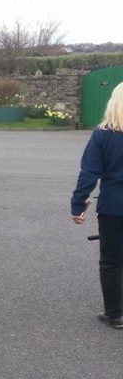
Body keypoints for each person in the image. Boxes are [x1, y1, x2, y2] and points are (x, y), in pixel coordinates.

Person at [71, 81, 123, 329]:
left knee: (112, 262)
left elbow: (89, 173)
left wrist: (78, 205)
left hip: (114, 207)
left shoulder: (103, 135)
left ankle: (115, 314)